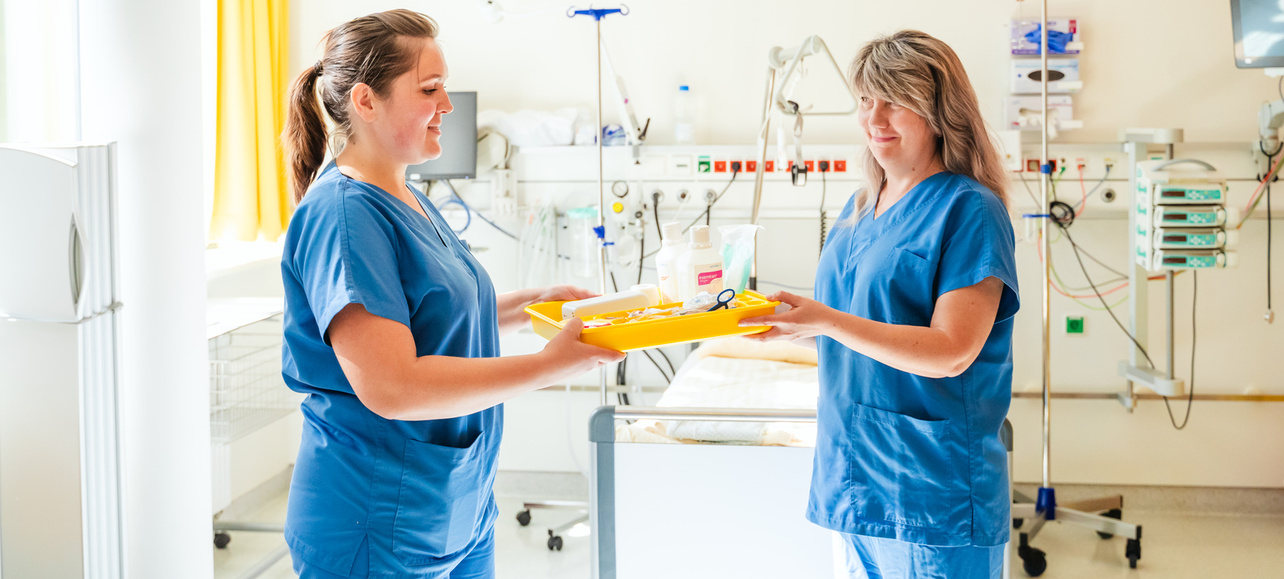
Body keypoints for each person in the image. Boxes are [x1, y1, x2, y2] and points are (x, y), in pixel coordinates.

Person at [279, 10, 623, 578]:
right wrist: (547, 365)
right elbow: (392, 386)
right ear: (365, 101)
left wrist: (537, 303)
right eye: (429, 89)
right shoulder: (344, 213)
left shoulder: (405, 194)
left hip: (455, 504)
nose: (449, 106)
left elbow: (433, 315)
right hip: (375, 519)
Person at [740, 30, 1020, 578]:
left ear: (939, 113)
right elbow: (854, 314)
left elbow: (951, 352)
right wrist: (789, 320)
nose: (876, 118)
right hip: (856, 471)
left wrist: (822, 320)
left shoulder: (969, 210)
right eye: (867, 100)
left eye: (896, 101)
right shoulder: (861, 205)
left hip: (929, 486)